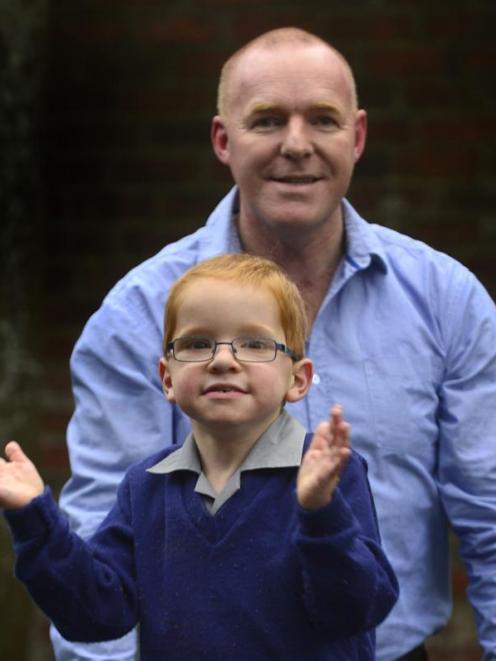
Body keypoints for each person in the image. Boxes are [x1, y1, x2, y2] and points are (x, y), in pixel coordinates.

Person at [50, 26, 496, 661]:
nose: (297, 144)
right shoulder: (137, 315)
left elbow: (490, 509)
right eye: (266, 121)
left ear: (357, 136)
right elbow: (99, 539)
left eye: (322, 119)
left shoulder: (446, 300)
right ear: (223, 141)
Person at [1, 254, 399, 660]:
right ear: (168, 379)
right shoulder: (147, 485)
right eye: (196, 344)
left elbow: (355, 609)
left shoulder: (329, 474)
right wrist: (35, 519)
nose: (223, 360)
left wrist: (319, 514)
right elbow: (98, 614)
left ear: (297, 379)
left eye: (255, 344)